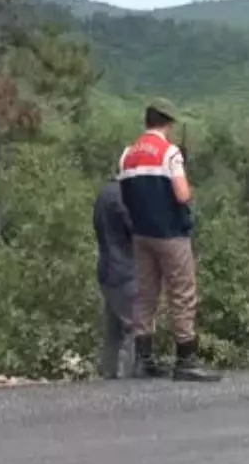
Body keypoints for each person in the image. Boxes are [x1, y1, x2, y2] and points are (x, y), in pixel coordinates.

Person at [117, 99, 220, 382]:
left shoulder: (127, 155)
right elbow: (182, 194)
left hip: (141, 235)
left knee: (146, 296)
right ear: (167, 123)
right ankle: (185, 361)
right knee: (182, 293)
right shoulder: (169, 152)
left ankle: (144, 360)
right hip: (171, 234)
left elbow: (125, 197)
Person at [92, 179, 135, 379]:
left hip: (106, 269)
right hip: (125, 269)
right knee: (134, 328)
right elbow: (133, 228)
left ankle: (108, 375)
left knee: (112, 330)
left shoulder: (104, 194)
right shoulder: (124, 197)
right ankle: (128, 378)